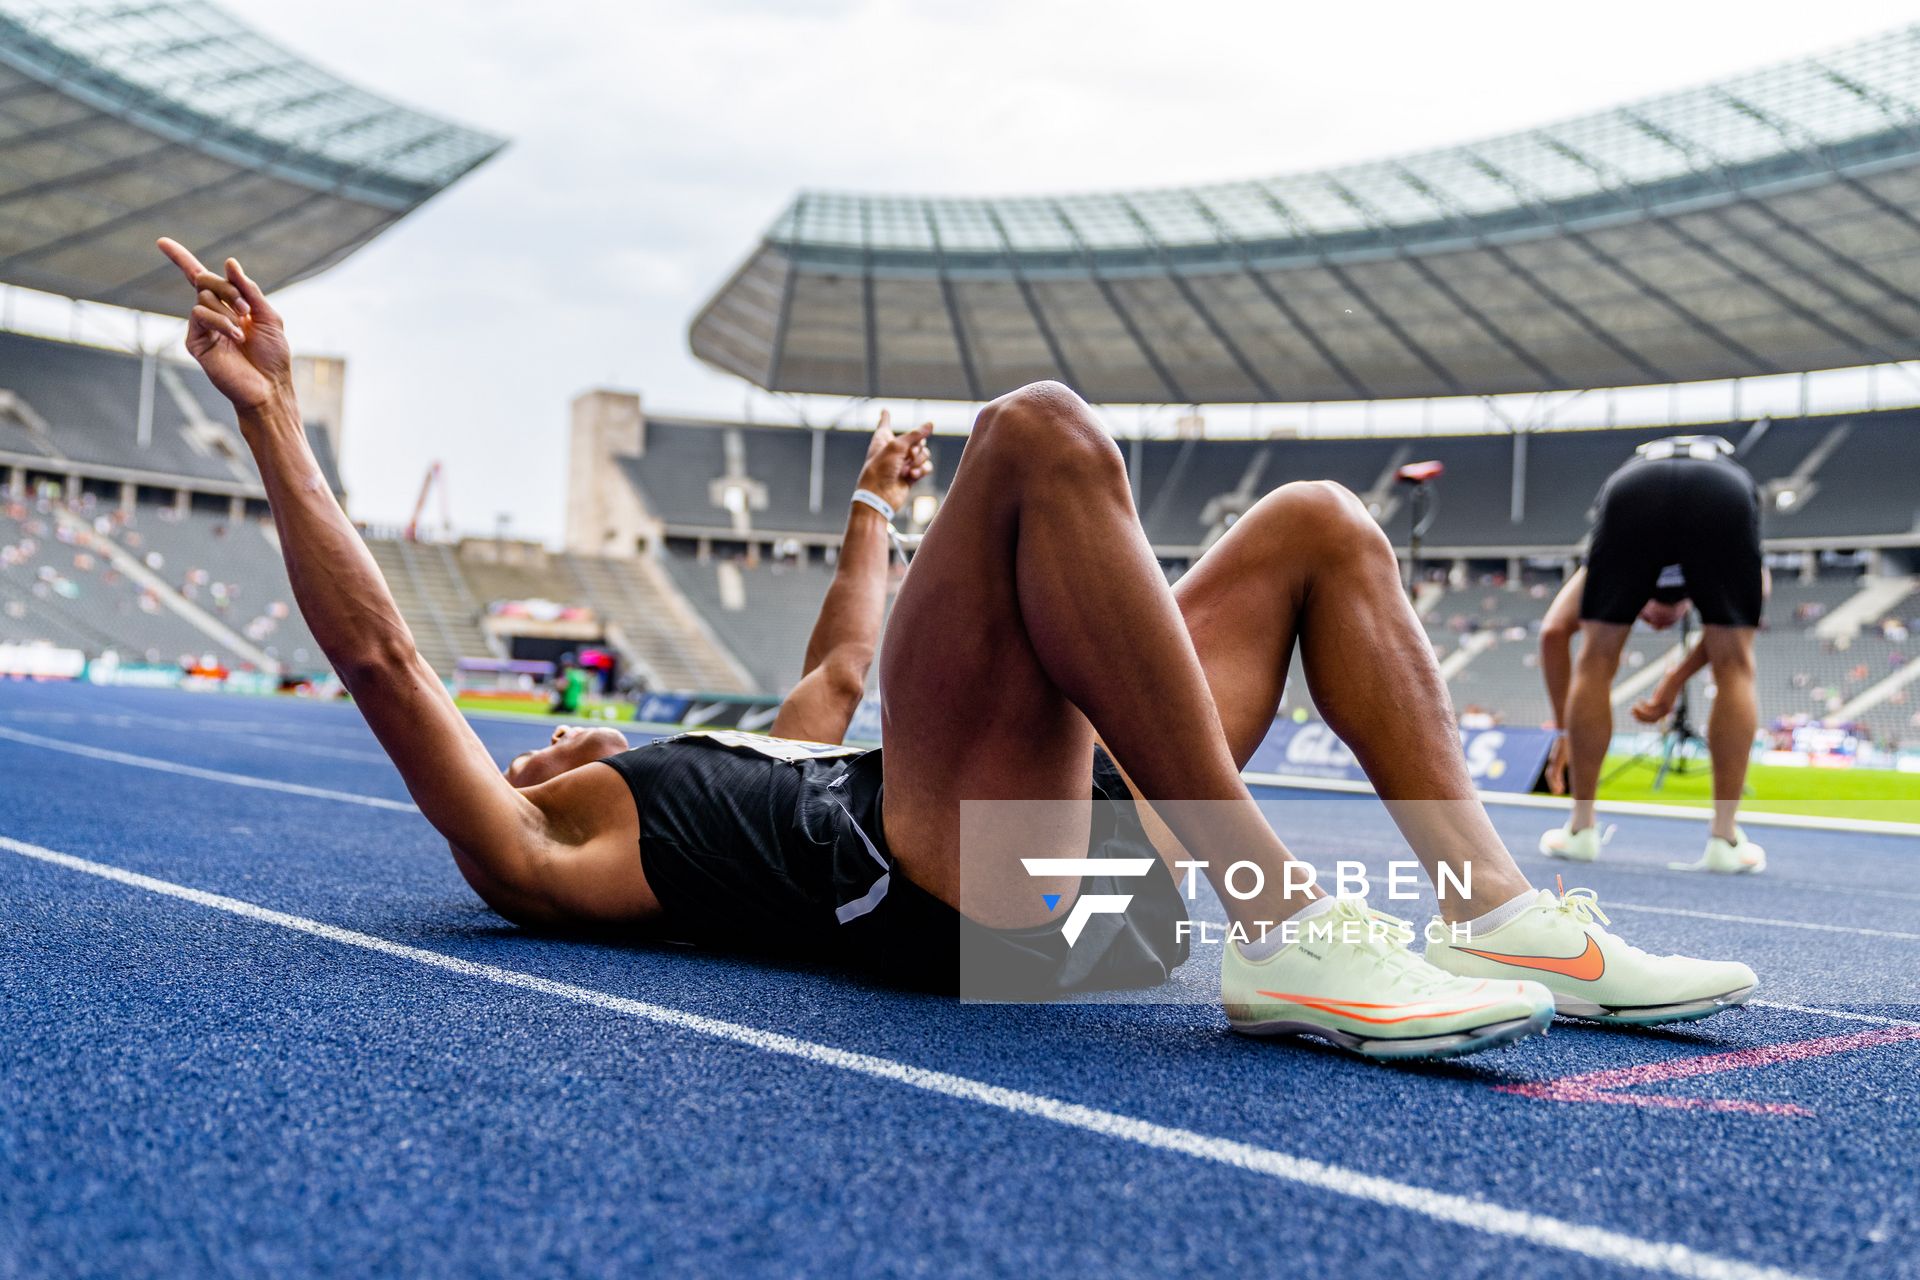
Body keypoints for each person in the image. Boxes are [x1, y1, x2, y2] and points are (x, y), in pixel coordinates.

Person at [158, 237, 1755, 1062]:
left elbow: (851, 674)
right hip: (957, 911)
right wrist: (279, 427)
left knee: (1324, 524)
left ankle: (1500, 915)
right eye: (531, 752)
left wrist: (870, 506)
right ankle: (1277, 913)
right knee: (1041, 436)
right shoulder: (546, 846)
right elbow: (378, 659)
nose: (550, 747)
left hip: (1088, 903)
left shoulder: (747, 747)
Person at [1538, 435, 1768, 873]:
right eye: (1647, 615)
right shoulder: (1737, 537)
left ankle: (1581, 829)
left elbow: (1553, 631)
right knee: (1736, 664)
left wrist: (1570, 733)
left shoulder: (1605, 564)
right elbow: (1740, 637)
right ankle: (1725, 839)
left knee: (1596, 657)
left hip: (1634, 488)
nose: (1657, 623)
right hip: (1724, 489)